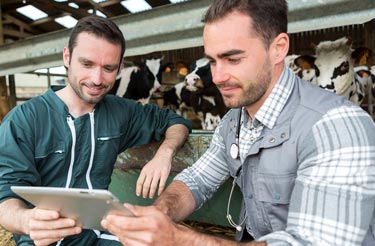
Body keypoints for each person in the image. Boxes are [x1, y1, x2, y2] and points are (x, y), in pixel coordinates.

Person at [101, 0, 375, 245]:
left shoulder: (335, 126)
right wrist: (160, 213)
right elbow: (198, 179)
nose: (218, 77)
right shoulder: (235, 122)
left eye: (233, 59)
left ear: (278, 49)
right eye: (212, 61)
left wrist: (178, 239)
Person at [0, 15, 191, 245]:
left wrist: (164, 154)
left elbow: (174, 121)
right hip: (42, 240)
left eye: (108, 68)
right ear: (67, 57)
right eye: (87, 64)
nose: (97, 79)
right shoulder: (24, 120)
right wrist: (27, 220)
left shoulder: (121, 112)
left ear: (120, 68)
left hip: (96, 233)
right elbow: (5, 200)